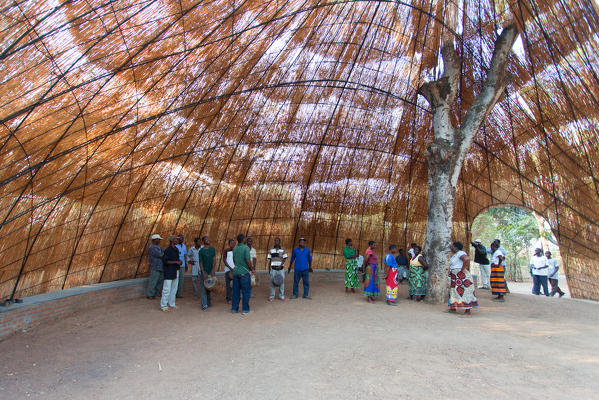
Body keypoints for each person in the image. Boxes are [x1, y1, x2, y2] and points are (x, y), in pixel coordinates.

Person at [448, 242, 478, 314]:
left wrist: (463, 269)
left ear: (456, 247)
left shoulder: (460, 253)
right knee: (454, 291)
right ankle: (453, 308)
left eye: (452, 247)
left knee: (465, 292)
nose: (450, 248)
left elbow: (466, 259)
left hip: (461, 276)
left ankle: (467, 310)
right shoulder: (456, 255)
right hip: (456, 276)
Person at [232, 234, 253, 315]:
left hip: (236, 272)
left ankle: (234, 309)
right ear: (243, 239)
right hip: (244, 272)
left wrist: (238, 265)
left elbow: (234, 260)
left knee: (236, 291)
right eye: (245, 238)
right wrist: (252, 269)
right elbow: (248, 260)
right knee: (246, 292)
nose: (246, 239)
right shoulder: (246, 248)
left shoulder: (235, 248)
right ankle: (245, 309)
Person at [161, 235, 182, 311]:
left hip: (175, 270)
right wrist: (176, 262)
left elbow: (175, 259)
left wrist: (179, 261)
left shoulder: (176, 249)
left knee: (174, 288)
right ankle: (164, 305)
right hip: (169, 271)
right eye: (176, 239)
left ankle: (172, 303)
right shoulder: (167, 250)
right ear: (172, 240)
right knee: (166, 289)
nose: (177, 240)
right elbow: (165, 261)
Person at [199, 236, 216, 308]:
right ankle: (204, 304)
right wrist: (203, 272)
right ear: (203, 241)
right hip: (204, 271)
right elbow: (201, 263)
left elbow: (214, 260)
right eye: (206, 239)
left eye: (209, 239)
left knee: (210, 287)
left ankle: (209, 302)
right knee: (203, 288)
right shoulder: (201, 251)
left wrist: (213, 270)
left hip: (210, 271)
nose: (208, 240)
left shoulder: (212, 249)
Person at [146, 234, 164, 299]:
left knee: (159, 280)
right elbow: (161, 255)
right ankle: (150, 294)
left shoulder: (157, 247)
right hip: (155, 267)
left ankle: (156, 292)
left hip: (159, 267)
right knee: (153, 281)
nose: (159, 241)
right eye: (158, 239)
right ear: (155, 240)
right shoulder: (152, 248)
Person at [222, 239, 236, 304]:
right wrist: (230, 268)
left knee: (235, 284)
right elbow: (224, 260)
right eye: (232, 243)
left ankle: (232, 297)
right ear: (229, 244)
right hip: (228, 270)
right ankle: (229, 298)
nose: (233, 244)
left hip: (235, 270)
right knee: (228, 285)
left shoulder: (235, 250)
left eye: (234, 243)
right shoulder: (226, 250)